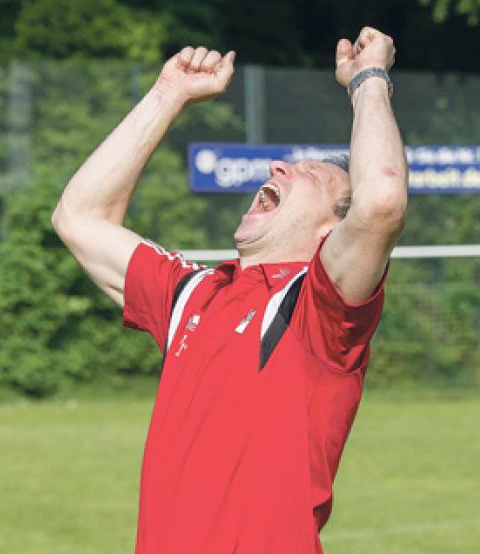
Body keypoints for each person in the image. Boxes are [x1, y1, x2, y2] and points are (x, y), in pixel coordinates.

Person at [52, 26, 407, 554]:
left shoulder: (320, 312)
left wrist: (369, 80)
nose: (278, 166)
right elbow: (79, 216)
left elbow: (380, 201)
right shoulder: (194, 293)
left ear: (331, 232)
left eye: (307, 172)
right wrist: (168, 94)